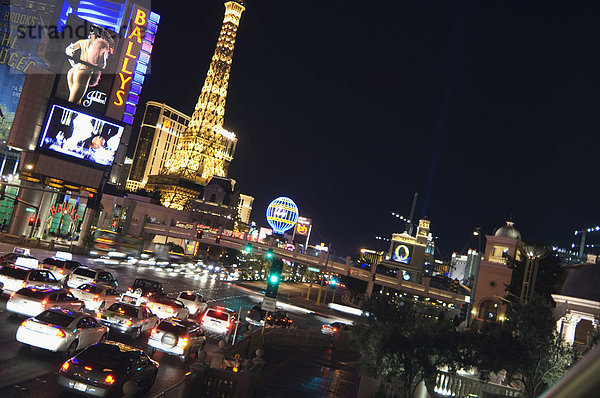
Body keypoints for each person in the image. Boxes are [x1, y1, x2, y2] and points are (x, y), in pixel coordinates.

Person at [65, 25, 114, 104]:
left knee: (76, 101)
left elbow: (68, 50)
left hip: (73, 70)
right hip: (84, 72)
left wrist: (73, 64)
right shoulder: (102, 45)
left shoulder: (82, 42)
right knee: (73, 103)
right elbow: (102, 64)